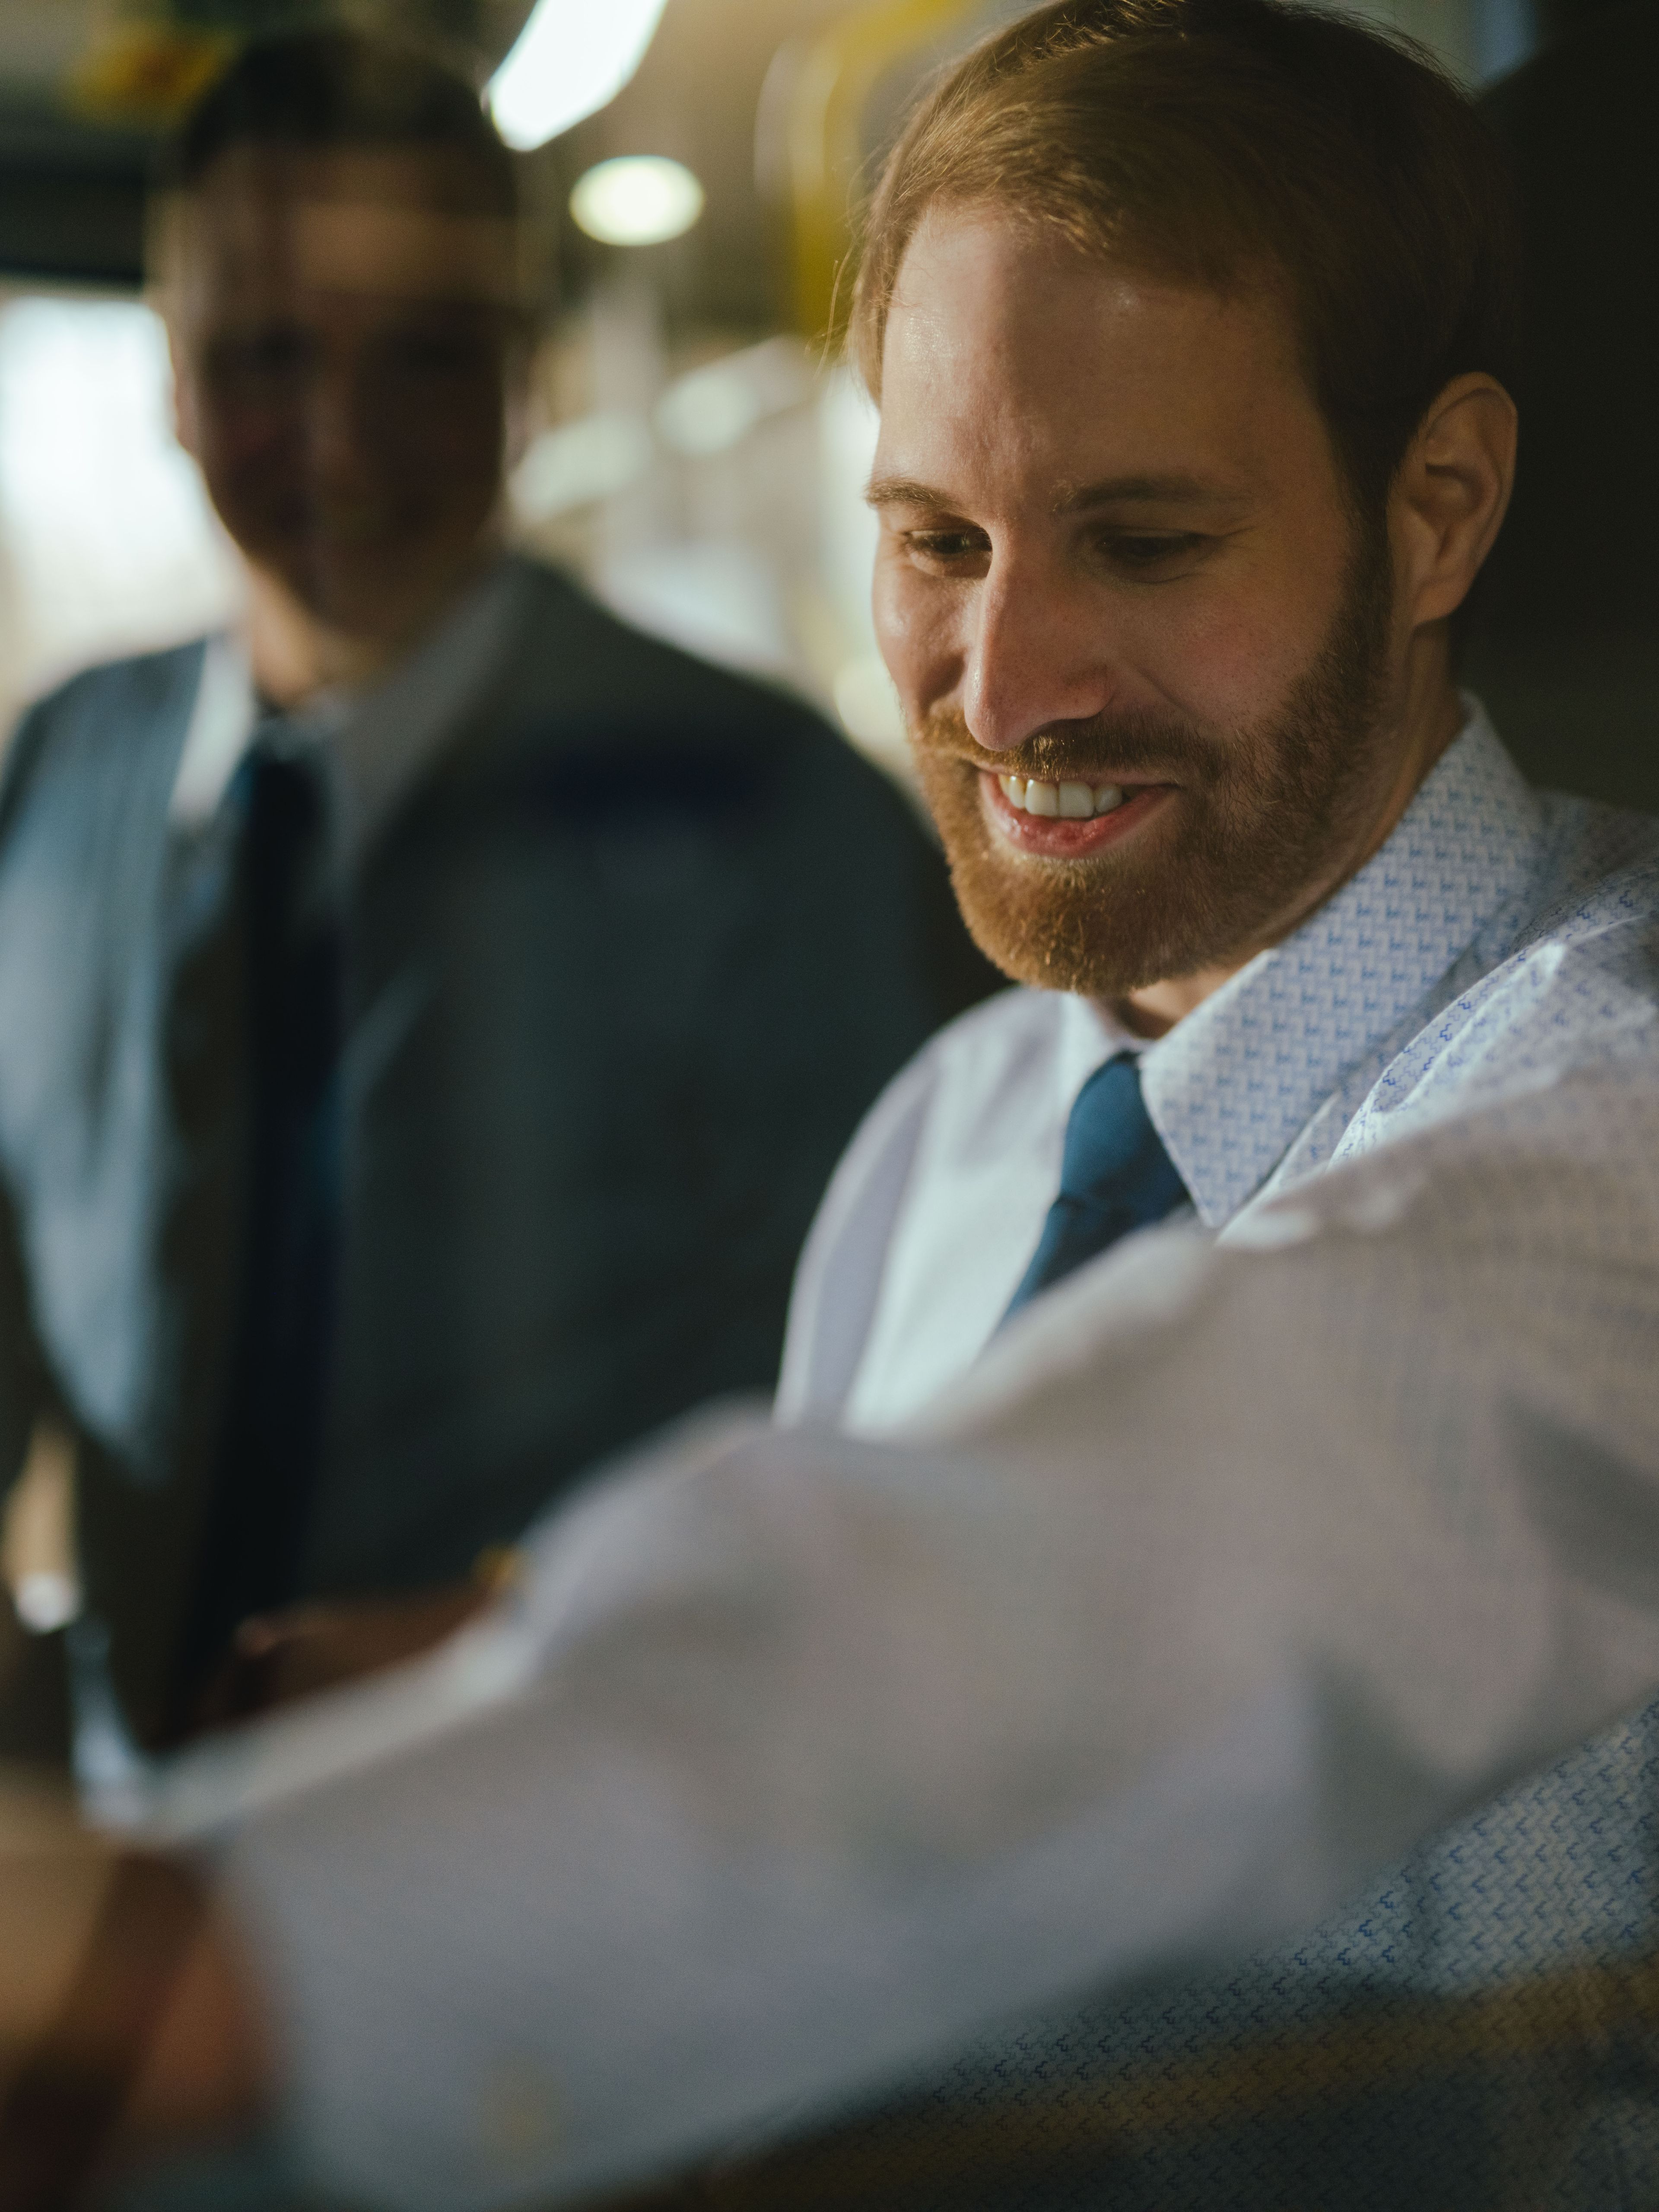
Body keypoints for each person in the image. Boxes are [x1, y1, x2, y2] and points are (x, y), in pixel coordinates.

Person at [3, 0, 1659, 2205]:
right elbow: (892, 1581)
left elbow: (1249, 1485)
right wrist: (531, 1643)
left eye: (1145, 543)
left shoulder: (1611, 1087)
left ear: (1437, 504)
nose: (1010, 685)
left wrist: (239, 1949)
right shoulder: (959, 1129)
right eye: (941, 540)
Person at [0, 32, 987, 1759]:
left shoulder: (777, 826)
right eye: (264, 354)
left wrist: (515, 1626)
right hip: (130, 1865)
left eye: (428, 359)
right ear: (168, 371)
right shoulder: (65, 771)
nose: (340, 438)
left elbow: (928, 1421)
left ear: (526, 374)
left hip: (566, 1850)